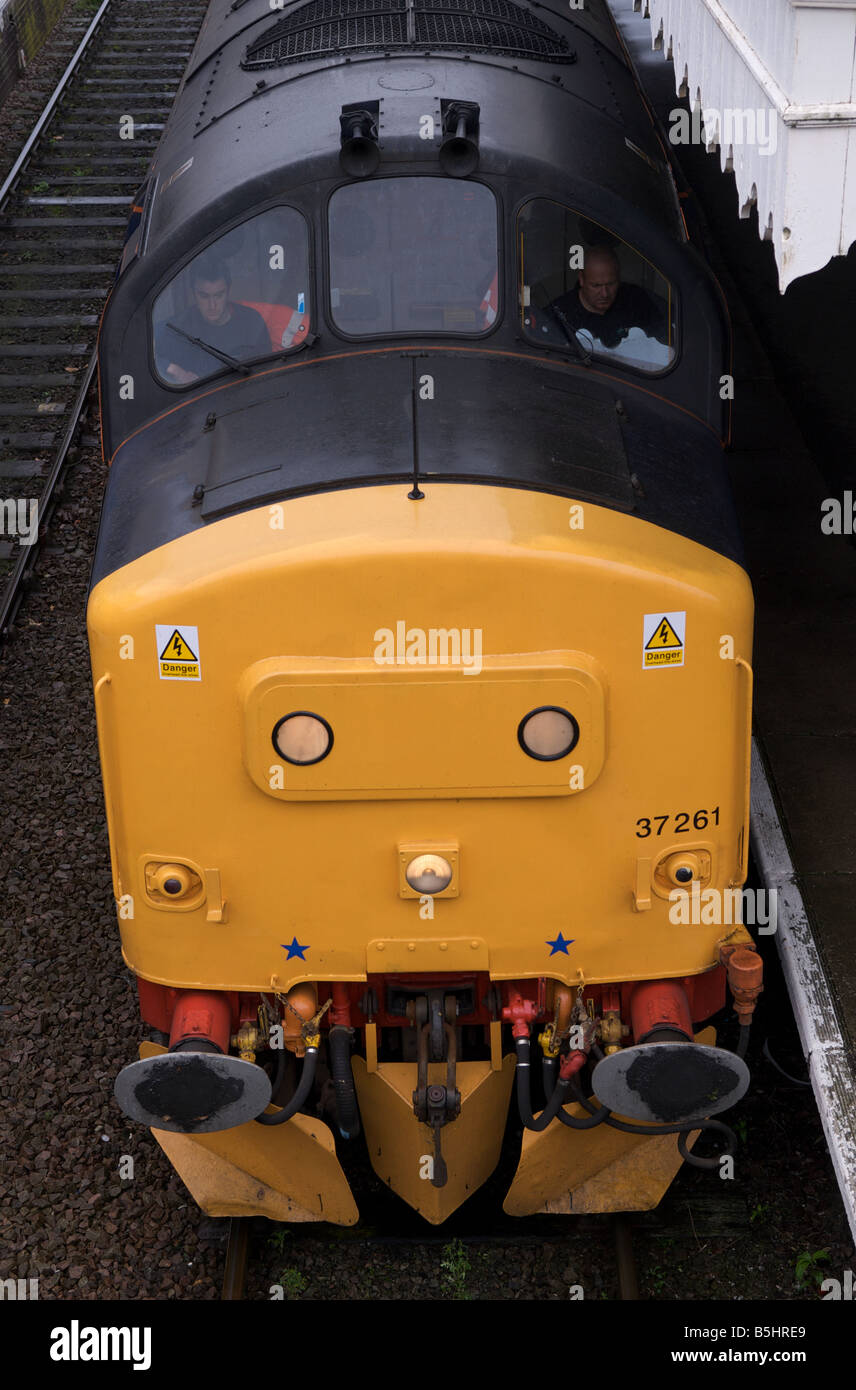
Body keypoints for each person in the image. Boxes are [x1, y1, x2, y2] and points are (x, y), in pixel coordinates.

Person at [157, 257, 272, 384]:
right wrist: (174, 370)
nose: (212, 305)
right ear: (193, 294)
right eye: (204, 296)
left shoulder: (251, 322)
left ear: (228, 291)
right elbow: (143, 347)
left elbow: (267, 369)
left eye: (219, 295)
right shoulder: (179, 326)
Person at [548, 245, 667, 351]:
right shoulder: (559, 313)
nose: (605, 294)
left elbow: (666, 340)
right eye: (596, 286)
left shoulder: (636, 300)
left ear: (619, 278)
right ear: (582, 279)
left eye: (611, 284)